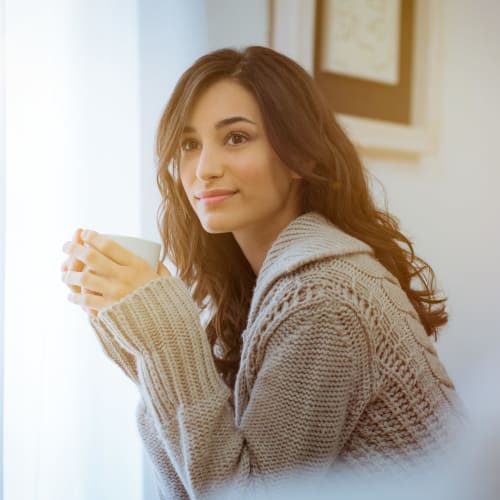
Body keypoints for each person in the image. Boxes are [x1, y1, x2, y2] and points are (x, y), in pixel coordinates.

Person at [60, 46, 463, 499]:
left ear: (301, 157)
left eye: (236, 138)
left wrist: (167, 340)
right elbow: (190, 483)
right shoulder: (253, 291)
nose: (204, 170)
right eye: (189, 144)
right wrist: (143, 346)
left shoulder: (325, 299)